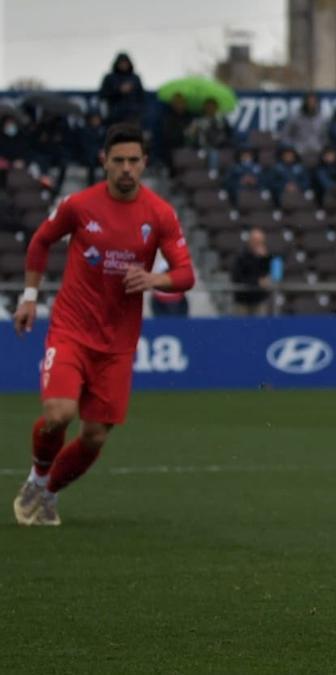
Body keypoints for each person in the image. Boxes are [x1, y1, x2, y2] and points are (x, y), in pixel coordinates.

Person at [11, 123, 195, 526]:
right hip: (71, 329)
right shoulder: (78, 205)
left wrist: (154, 279)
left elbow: (185, 274)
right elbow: (41, 241)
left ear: (144, 163)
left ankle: (48, 494)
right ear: (104, 162)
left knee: (95, 435)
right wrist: (29, 298)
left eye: (133, 161)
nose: (126, 168)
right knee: (59, 413)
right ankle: (37, 478)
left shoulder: (160, 213)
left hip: (118, 342)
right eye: (118, 161)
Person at [230, 227, 273, 317]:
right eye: (256, 241)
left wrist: (264, 259)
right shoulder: (241, 256)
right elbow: (237, 278)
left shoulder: (265, 257)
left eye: (260, 241)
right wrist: (257, 282)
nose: (258, 244)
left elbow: (267, 273)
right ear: (250, 241)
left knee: (259, 328)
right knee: (241, 328)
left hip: (259, 299)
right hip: (243, 301)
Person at [185, 98, 232, 172]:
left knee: (214, 154)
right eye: (208, 106)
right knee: (202, 154)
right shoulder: (198, 121)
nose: (210, 109)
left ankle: (213, 175)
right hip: (201, 147)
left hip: (218, 147)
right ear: (204, 108)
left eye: (212, 106)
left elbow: (229, 134)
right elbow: (188, 134)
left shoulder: (221, 121)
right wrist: (193, 130)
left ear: (216, 108)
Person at [98, 53, 144, 125]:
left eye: (125, 62)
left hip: (132, 116)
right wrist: (119, 91)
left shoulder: (135, 78)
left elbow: (141, 97)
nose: (123, 65)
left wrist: (138, 112)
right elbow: (103, 95)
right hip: (114, 117)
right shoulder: (109, 78)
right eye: (121, 63)